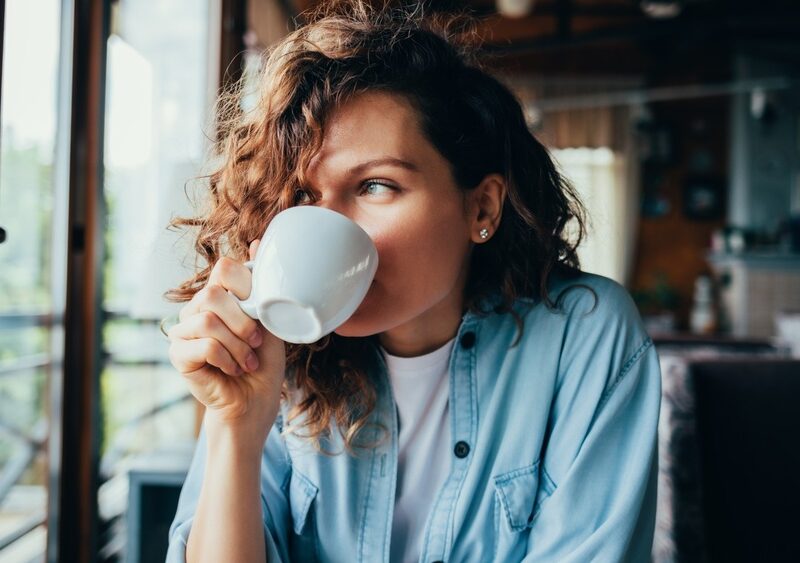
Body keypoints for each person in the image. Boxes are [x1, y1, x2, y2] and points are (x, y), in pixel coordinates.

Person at [165, 1, 661, 562]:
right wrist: (235, 426)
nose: (326, 224)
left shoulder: (583, 335)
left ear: (482, 208)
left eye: (376, 185)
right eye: (304, 196)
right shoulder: (276, 358)